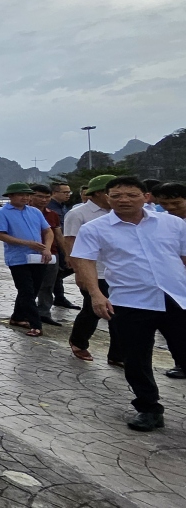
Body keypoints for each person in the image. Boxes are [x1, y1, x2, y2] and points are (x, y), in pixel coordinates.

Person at [72, 176, 186, 432]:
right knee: (136, 359)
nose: (123, 200)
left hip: (177, 299)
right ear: (107, 197)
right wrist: (96, 295)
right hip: (129, 301)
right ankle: (149, 409)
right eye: (116, 195)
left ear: (146, 197)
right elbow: (85, 261)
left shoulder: (172, 224)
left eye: (131, 195)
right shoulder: (95, 228)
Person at [64, 174, 120, 364]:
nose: (118, 198)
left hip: (118, 272)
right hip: (94, 271)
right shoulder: (78, 214)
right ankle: (79, 341)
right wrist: (79, 272)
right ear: (96, 194)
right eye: (111, 193)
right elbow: (70, 243)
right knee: (93, 309)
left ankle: (118, 354)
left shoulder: (119, 213)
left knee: (119, 311)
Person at [0, 182, 53, 337]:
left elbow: (48, 231)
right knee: (26, 290)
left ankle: (18, 317)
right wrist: (27, 243)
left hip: (37, 257)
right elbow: (1, 235)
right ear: (11, 196)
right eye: (21, 195)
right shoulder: (2, 213)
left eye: (27, 195)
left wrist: (47, 248)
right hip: (18, 258)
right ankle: (36, 324)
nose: (25, 198)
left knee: (32, 290)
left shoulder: (35, 212)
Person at [150, 181, 186, 380]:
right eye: (165, 204)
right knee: (177, 327)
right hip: (172, 283)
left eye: (176, 203)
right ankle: (180, 363)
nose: (170, 208)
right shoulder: (158, 222)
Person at [29, 184, 68, 326]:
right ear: (31, 196)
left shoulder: (52, 214)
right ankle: (26, 312)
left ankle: (44, 313)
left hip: (52, 254)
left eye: (47, 197)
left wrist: (67, 254)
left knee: (48, 285)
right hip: (29, 255)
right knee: (29, 286)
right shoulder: (23, 212)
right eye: (40, 196)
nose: (44, 200)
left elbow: (58, 235)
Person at [47, 182, 80, 309]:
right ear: (54, 193)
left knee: (61, 270)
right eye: (65, 192)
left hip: (64, 244)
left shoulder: (63, 207)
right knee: (60, 270)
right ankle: (55, 297)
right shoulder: (51, 208)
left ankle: (59, 296)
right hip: (55, 245)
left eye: (69, 192)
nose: (68, 195)